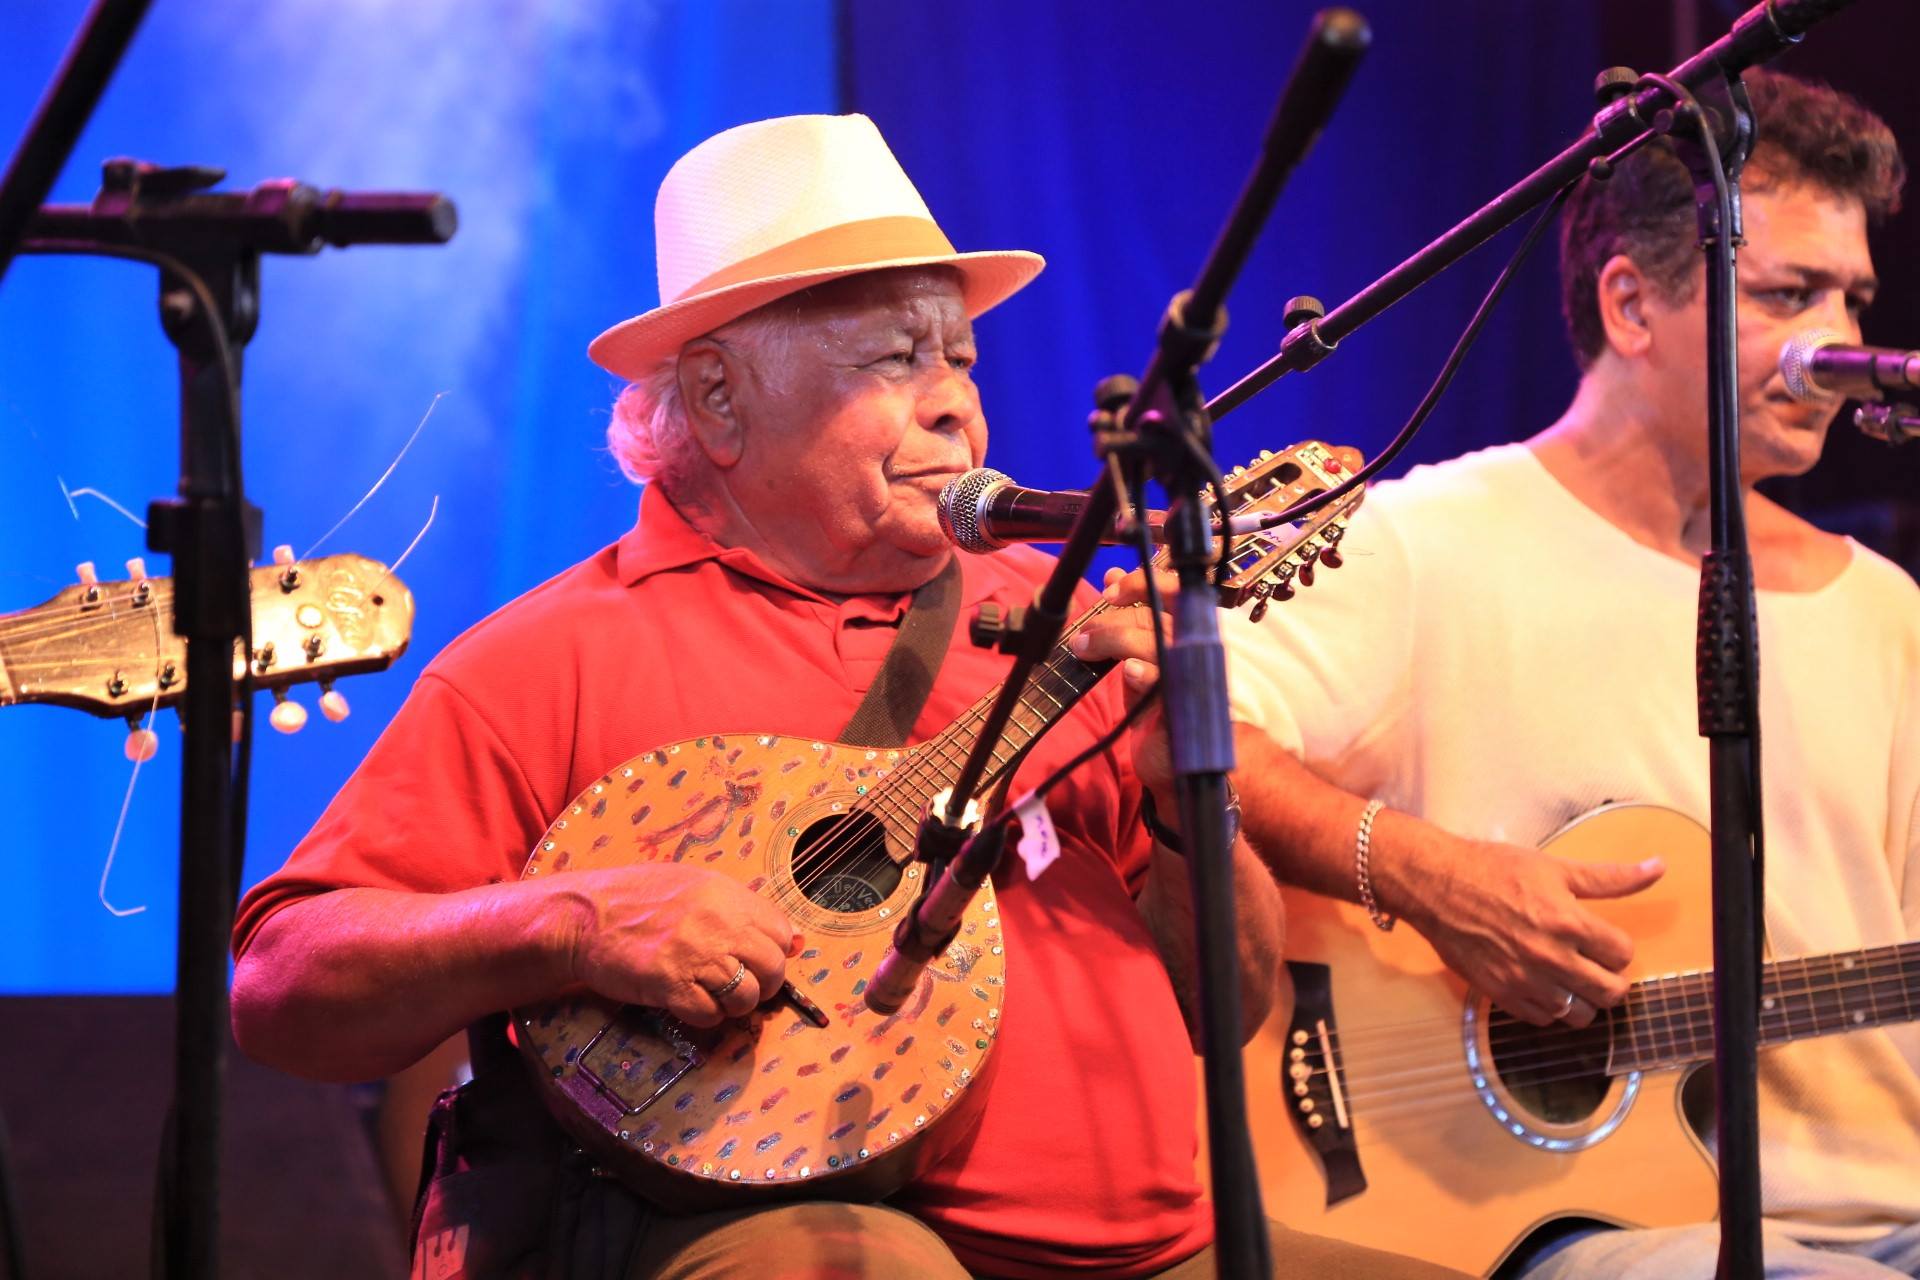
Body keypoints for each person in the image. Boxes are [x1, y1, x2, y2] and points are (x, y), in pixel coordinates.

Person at [229, 113, 1458, 1280]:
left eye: (960, 357)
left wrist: (1186, 794)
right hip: (793, 1233)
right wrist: (570, 923)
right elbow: (284, 984)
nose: (954, 400)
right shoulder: (553, 656)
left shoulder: (1071, 619)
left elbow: (1227, 1003)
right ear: (717, 399)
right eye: (895, 358)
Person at [1211, 69, 1920, 1278]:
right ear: (1633, 304)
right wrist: (1427, 871)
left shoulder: (1886, 609)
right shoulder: (1428, 541)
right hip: (1598, 1220)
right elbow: (1197, 742)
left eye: (1852, 298)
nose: (1840, 347)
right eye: (1789, 294)